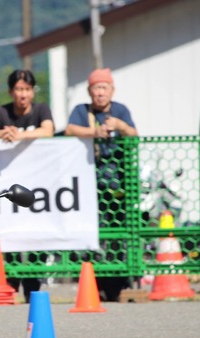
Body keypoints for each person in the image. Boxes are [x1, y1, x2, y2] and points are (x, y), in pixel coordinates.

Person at [0, 69, 54, 302]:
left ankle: (33, 284)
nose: (23, 95)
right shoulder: (3, 112)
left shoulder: (41, 109)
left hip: (38, 186)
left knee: (36, 234)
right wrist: (1, 132)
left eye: (27, 89)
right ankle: (10, 282)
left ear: (32, 92)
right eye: (19, 89)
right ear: (12, 92)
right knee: (11, 232)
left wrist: (20, 136)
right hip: (11, 186)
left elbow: (49, 130)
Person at [65, 68, 138, 301]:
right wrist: (95, 132)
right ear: (90, 91)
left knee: (117, 234)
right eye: (96, 88)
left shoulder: (121, 111)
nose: (100, 93)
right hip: (89, 184)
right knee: (93, 234)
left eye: (104, 87)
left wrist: (119, 126)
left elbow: (134, 135)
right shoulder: (81, 111)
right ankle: (93, 281)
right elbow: (69, 130)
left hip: (118, 184)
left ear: (112, 90)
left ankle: (116, 282)